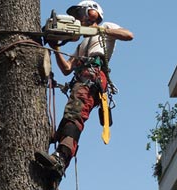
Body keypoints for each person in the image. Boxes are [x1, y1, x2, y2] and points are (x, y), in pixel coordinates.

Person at [35, 0, 134, 186]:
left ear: (93, 12)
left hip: (93, 76)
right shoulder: (81, 45)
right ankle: (55, 171)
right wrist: (55, 47)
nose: (78, 18)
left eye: (80, 13)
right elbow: (66, 68)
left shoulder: (105, 27)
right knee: (69, 118)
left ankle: (61, 159)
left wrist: (101, 31)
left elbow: (128, 35)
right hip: (81, 80)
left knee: (74, 115)